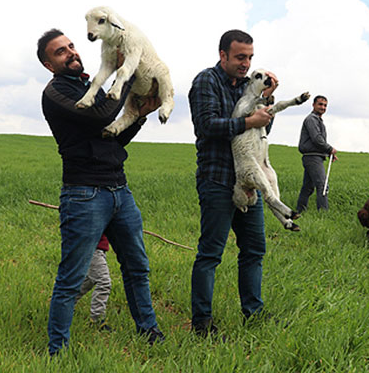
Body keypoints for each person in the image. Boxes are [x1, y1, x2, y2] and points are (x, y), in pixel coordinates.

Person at [37, 28, 165, 355]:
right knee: (71, 277)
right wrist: (125, 74)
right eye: (60, 51)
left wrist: (139, 117)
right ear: (49, 65)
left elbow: (112, 139)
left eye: (71, 46)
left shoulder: (87, 86)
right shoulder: (56, 93)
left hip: (120, 190)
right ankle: (57, 351)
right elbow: (100, 116)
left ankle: (149, 331)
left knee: (137, 268)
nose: (71, 52)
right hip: (84, 195)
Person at [187, 29, 279, 337]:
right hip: (217, 178)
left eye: (250, 57)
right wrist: (248, 121)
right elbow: (206, 125)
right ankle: (202, 324)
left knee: (254, 250)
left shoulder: (249, 86)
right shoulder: (206, 81)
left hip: (248, 181)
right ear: (223, 55)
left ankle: (253, 313)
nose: (246, 63)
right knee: (211, 253)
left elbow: (261, 131)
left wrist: (266, 99)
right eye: (240, 57)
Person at [296, 95, 337, 213]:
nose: (323, 107)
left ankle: (300, 211)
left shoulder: (317, 120)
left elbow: (318, 141)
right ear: (313, 105)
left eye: (325, 105)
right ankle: (323, 213)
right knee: (322, 186)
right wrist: (330, 149)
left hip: (314, 156)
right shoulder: (311, 119)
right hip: (312, 157)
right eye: (320, 104)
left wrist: (328, 153)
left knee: (308, 187)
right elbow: (317, 139)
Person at [74, 235, 112, 331]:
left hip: (97, 248)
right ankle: (97, 320)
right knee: (104, 282)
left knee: (89, 280)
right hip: (91, 247)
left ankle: (64, 304)